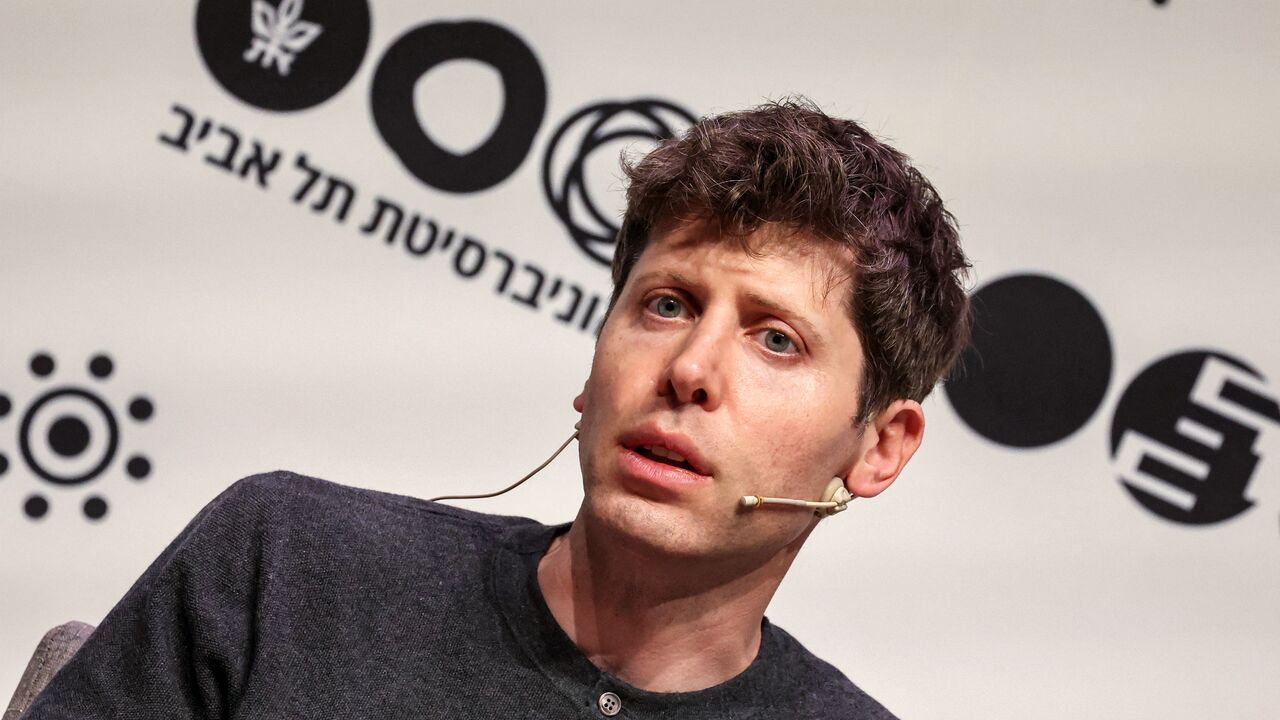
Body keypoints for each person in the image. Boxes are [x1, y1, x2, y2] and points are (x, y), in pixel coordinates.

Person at [23, 99, 970, 719]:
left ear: (880, 446)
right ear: (594, 367)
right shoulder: (284, 566)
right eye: (667, 304)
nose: (688, 368)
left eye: (776, 339)